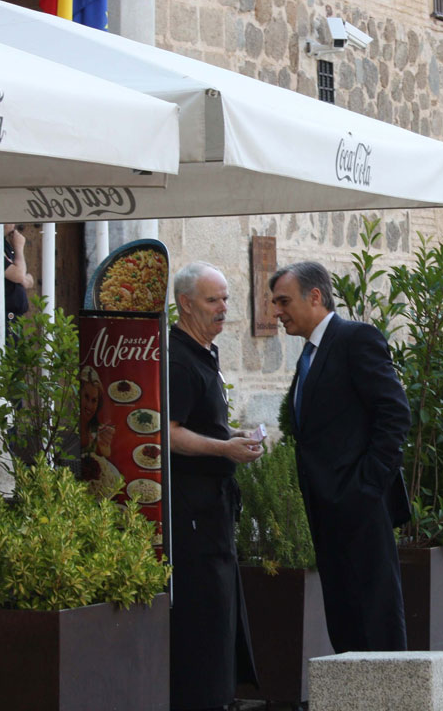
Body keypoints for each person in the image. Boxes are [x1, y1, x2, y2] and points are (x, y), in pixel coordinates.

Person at [269, 260, 411, 653]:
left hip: (359, 505)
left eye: (283, 301)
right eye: (275, 302)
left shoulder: (355, 339)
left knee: (375, 615)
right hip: (326, 507)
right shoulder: (309, 355)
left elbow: (395, 413)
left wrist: (366, 486)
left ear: (315, 297)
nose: (277, 312)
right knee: (344, 614)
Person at [167, 261, 262, 710]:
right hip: (190, 511)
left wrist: (231, 438)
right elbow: (167, 433)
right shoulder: (179, 357)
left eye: (225, 298)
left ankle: (220, 695)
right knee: (203, 610)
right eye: (213, 300)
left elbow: (201, 425)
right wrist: (224, 450)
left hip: (213, 507)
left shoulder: (204, 350)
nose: (224, 308)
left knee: (220, 606)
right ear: (185, 304)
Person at [3, 223, 34, 338]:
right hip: (5, 316)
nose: (13, 225)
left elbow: (29, 280)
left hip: (15, 317)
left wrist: (22, 277)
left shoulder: (6, 245)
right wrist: (19, 248)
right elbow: (20, 275)